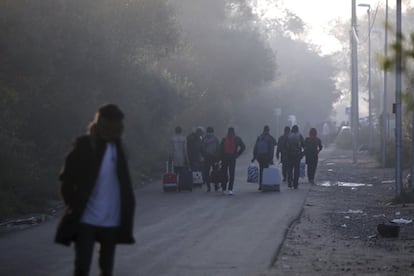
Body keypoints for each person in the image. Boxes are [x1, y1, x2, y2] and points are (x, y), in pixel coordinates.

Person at [55, 104, 136, 276]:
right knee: (82, 266)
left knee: (106, 269)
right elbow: (67, 179)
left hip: (111, 219)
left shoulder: (119, 148)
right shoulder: (85, 145)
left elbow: (124, 183)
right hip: (87, 218)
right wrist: (73, 203)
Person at [220, 127, 245, 195]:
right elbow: (243, 147)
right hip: (232, 158)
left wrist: (220, 158)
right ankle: (230, 189)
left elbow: (220, 149)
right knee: (232, 173)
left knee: (224, 173)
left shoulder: (224, 139)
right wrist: (237, 154)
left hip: (224, 158)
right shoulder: (237, 139)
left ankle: (224, 189)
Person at [252, 125, 277, 190]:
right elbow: (275, 143)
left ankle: (260, 185)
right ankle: (265, 185)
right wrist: (271, 159)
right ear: (268, 130)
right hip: (266, 156)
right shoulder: (269, 137)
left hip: (259, 157)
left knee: (261, 170)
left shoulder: (260, 137)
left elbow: (255, 147)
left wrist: (254, 157)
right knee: (266, 171)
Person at [200, 126, 220, 192]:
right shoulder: (215, 138)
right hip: (214, 157)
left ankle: (208, 187)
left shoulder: (204, 138)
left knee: (206, 172)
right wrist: (218, 157)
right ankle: (216, 186)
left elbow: (201, 148)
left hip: (206, 157)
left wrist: (203, 155)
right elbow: (218, 148)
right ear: (213, 131)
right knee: (215, 172)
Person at [286, 125, 304, 189]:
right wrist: (302, 154)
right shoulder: (299, 135)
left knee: (290, 169)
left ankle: (290, 181)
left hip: (290, 155)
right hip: (297, 155)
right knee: (296, 170)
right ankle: (295, 184)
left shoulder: (289, 136)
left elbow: (286, 146)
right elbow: (303, 145)